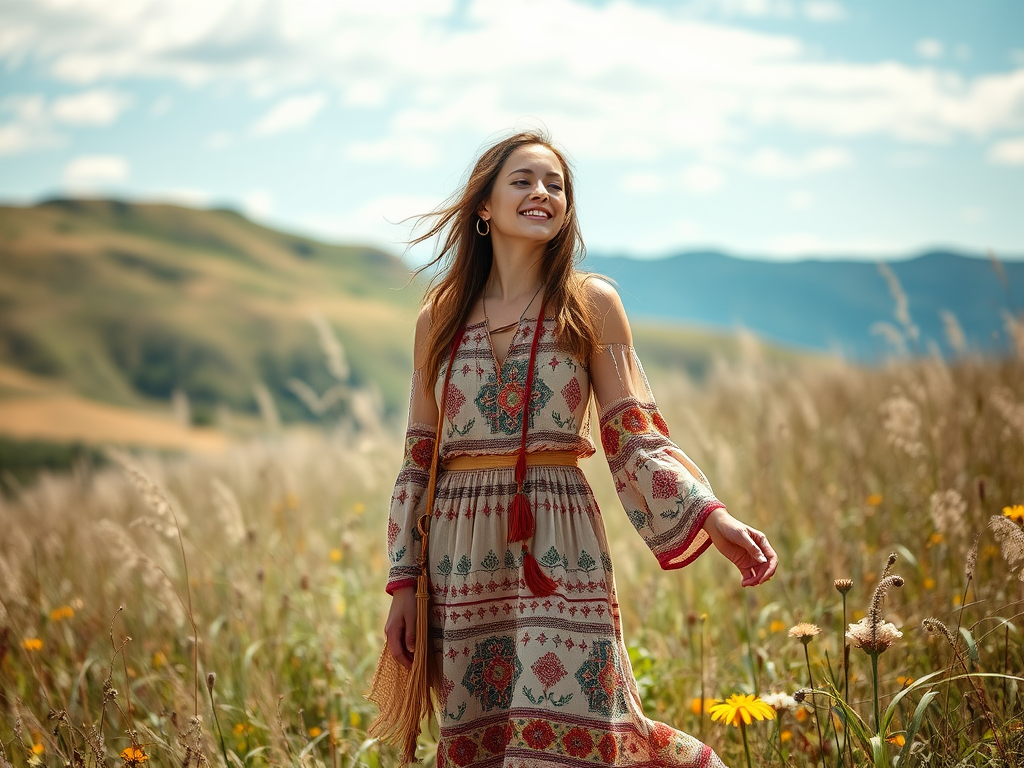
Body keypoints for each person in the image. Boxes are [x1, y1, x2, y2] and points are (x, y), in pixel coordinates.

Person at [382, 130, 777, 767]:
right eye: (523, 180)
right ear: (483, 205)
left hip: (559, 539)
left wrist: (712, 516)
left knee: (583, 725)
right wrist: (404, 582)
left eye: (555, 185)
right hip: (460, 553)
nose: (542, 193)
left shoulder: (591, 303)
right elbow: (419, 458)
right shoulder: (440, 315)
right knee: (480, 738)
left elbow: (632, 439)